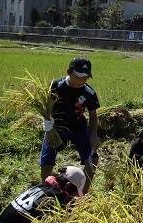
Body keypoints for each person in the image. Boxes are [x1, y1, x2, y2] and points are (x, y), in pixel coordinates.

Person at [41, 57, 100, 195]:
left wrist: (93, 136)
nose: (81, 80)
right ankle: (48, 193)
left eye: (85, 77)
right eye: (78, 76)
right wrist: (47, 121)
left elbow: (93, 116)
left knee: (93, 159)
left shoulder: (89, 93)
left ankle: (82, 194)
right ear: (68, 71)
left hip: (79, 129)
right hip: (57, 128)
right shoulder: (57, 86)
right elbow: (48, 107)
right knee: (47, 162)